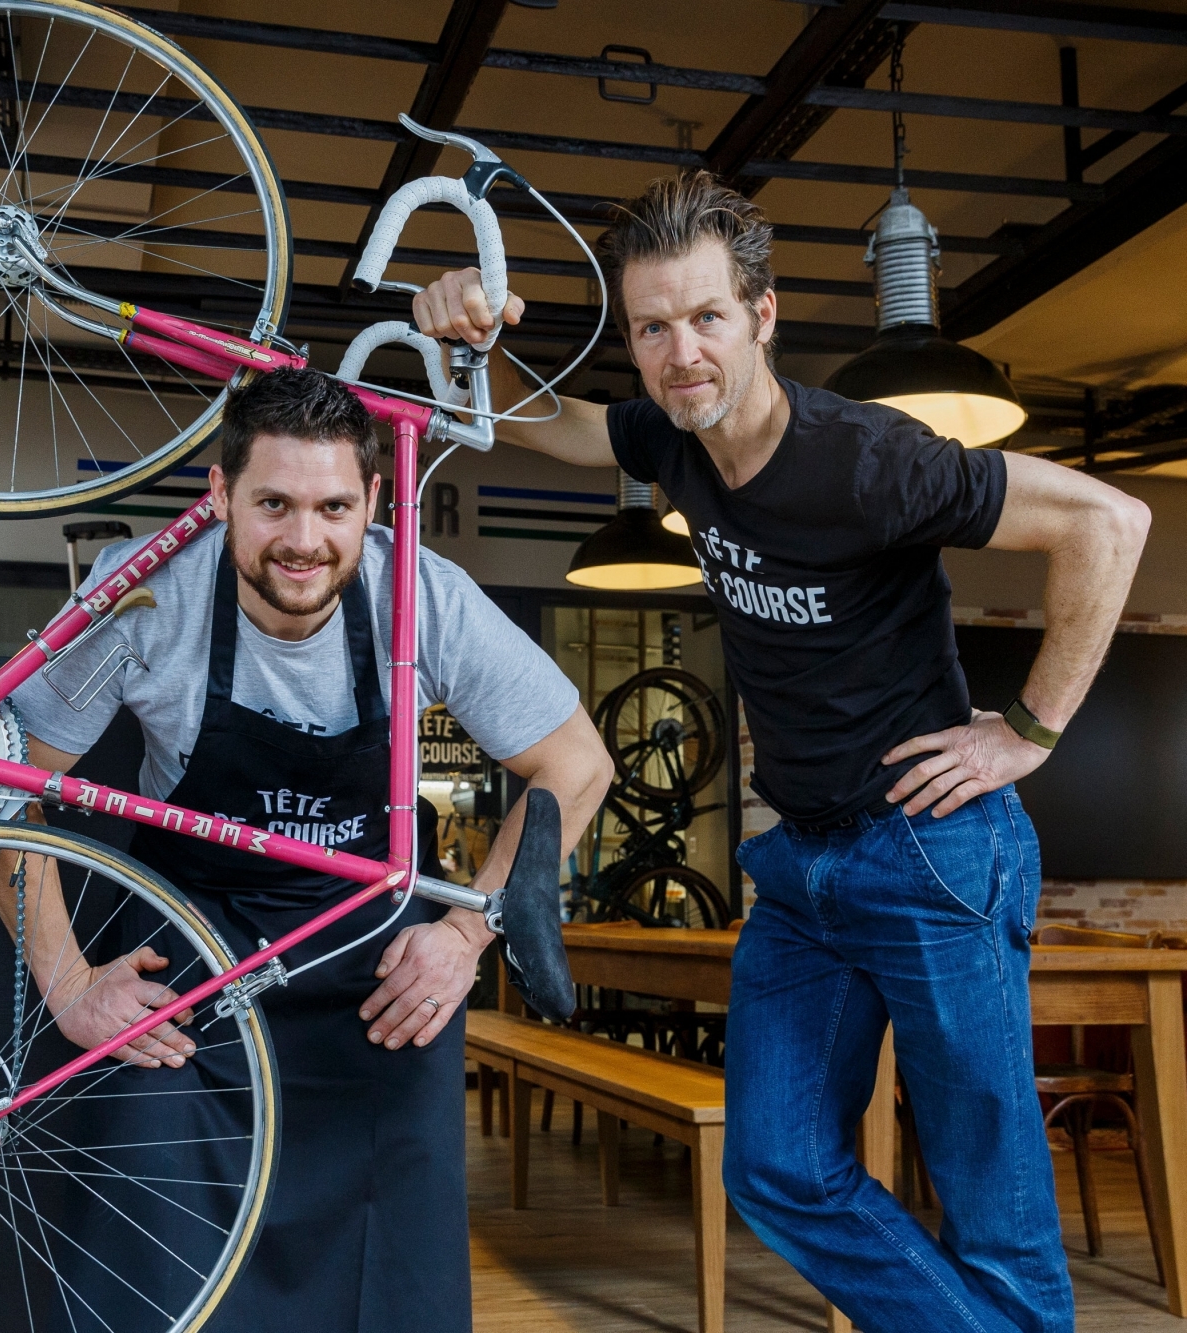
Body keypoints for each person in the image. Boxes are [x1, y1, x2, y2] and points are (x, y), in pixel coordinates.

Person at [413, 173, 1149, 1333]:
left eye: (705, 318)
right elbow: (536, 419)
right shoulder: (671, 436)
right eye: (651, 328)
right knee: (775, 1169)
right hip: (800, 869)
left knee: (991, 1215)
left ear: (761, 313)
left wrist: (1028, 731)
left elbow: (1107, 522)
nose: (678, 353)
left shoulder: (869, 460)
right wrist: (463, 335)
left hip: (933, 852)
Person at [6, 368, 612, 1332]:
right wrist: (68, 979)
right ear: (219, 496)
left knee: (392, 1288)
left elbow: (576, 764)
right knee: (147, 1269)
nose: (303, 539)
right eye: (274, 503)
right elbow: (3, 783)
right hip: (194, 970)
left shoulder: (422, 592)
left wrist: (465, 934)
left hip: (372, 979)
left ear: (373, 500)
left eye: (333, 505)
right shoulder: (147, 595)